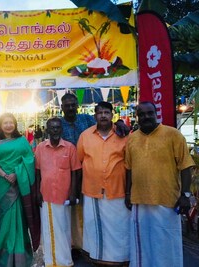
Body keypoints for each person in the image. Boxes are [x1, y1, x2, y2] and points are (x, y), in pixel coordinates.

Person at [125, 102, 195, 267]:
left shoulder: (173, 134)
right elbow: (128, 169)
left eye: (149, 113)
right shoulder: (132, 138)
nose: (146, 117)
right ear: (137, 117)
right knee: (143, 243)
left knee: (167, 243)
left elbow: (186, 166)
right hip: (139, 201)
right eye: (141, 114)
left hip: (167, 201)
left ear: (156, 114)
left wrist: (185, 194)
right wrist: (128, 194)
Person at [60, 93, 129, 257]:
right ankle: (74, 246)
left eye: (72, 104)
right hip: (67, 173)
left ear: (77, 105)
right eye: (67, 105)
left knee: (89, 213)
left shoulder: (86, 120)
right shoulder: (58, 124)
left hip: (92, 177)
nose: (70, 108)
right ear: (62, 107)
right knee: (71, 211)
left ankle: (89, 247)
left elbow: (104, 125)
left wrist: (119, 123)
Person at [77, 101, 130, 266]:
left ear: (112, 115)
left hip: (117, 190)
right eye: (100, 113)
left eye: (106, 112)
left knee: (119, 227)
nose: (103, 116)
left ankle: (120, 259)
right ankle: (98, 258)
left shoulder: (124, 135)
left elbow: (130, 164)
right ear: (95, 116)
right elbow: (80, 161)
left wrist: (130, 192)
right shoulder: (85, 135)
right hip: (92, 190)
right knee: (94, 226)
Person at [0, 113, 40, 267]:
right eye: (5, 122)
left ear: (15, 124)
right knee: (6, 219)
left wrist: (17, 174)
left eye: (11, 122)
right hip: (2, 184)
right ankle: (5, 256)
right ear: (0, 124)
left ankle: (18, 256)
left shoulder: (22, 140)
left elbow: (30, 159)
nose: (9, 125)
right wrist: (5, 175)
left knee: (18, 219)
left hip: (18, 183)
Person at [35, 117, 81, 267]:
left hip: (64, 196)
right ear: (47, 130)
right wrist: (37, 192)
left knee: (64, 229)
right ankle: (50, 261)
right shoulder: (40, 148)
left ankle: (65, 261)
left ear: (61, 129)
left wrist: (73, 193)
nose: (55, 130)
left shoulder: (70, 148)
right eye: (52, 128)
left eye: (57, 128)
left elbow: (75, 172)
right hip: (46, 195)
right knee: (48, 230)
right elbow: (37, 172)